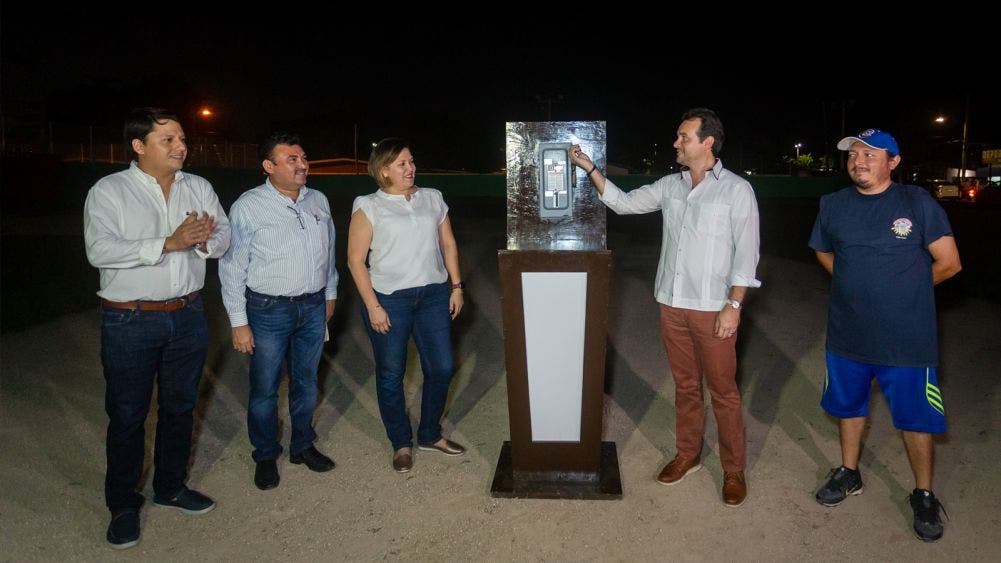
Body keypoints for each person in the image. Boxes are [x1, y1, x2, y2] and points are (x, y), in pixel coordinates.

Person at [569, 108, 760, 507]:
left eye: (684, 137)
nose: (677, 143)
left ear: (708, 142)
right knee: (686, 386)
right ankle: (688, 454)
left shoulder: (736, 190)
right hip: (671, 304)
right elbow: (623, 203)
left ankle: (733, 469)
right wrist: (590, 169)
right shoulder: (670, 186)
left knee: (723, 392)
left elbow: (747, 253)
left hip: (713, 307)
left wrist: (734, 305)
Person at [84, 107, 230, 549]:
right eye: (168, 139)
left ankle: (170, 486)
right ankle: (123, 504)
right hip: (130, 319)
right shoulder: (110, 190)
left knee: (180, 407)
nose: (180, 146)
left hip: (187, 315)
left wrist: (203, 241)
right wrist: (170, 242)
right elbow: (99, 250)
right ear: (139, 145)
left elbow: (223, 236)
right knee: (128, 414)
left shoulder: (199, 187)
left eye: (182, 138)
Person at [809, 128, 961, 542]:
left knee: (915, 418)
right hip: (848, 334)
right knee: (849, 407)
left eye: (870, 154)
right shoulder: (833, 204)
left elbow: (949, 263)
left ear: (893, 162)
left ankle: (924, 493)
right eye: (854, 155)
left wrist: (904, 292)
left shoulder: (916, 202)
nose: (859, 161)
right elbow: (821, 249)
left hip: (906, 339)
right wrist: (848, 280)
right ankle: (849, 472)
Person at [220, 133, 339, 491]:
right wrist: (239, 322)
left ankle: (302, 444)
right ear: (268, 166)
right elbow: (232, 267)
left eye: (303, 157)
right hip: (268, 310)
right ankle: (265, 453)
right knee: (265, 388)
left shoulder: (318, 200)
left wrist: (330, 292)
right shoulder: (248, 206)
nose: (302, 164)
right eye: (291, 159)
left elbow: (329, 251)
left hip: (313, 306)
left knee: (306, 382)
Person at [347, 138, 465, 473]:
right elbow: (356, 261)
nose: (410, 168)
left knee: (442, 367)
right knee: (391, 374)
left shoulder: (433, 198)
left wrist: (456, 286)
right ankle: (401, 442)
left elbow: (448, 243)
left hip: (433, 295)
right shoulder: (369, 205)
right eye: (401, 163)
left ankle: (430, 434)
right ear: (384, 170)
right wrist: (373, 306)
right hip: (389, 298)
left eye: (411, 161)